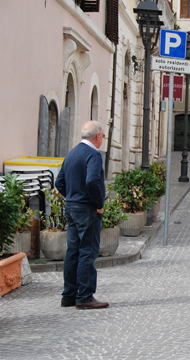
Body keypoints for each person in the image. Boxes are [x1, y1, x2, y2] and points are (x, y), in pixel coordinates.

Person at [55, 120, 108, 309]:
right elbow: (93, 180)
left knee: (73, 251)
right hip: (87, 208)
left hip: (71, 206)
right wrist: (98, 203)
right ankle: (84, 296)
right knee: (88, 251)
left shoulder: (72, 153)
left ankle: (68, 295)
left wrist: (71, 196)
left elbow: (59, 182)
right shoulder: (93, 154)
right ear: (98, 136)